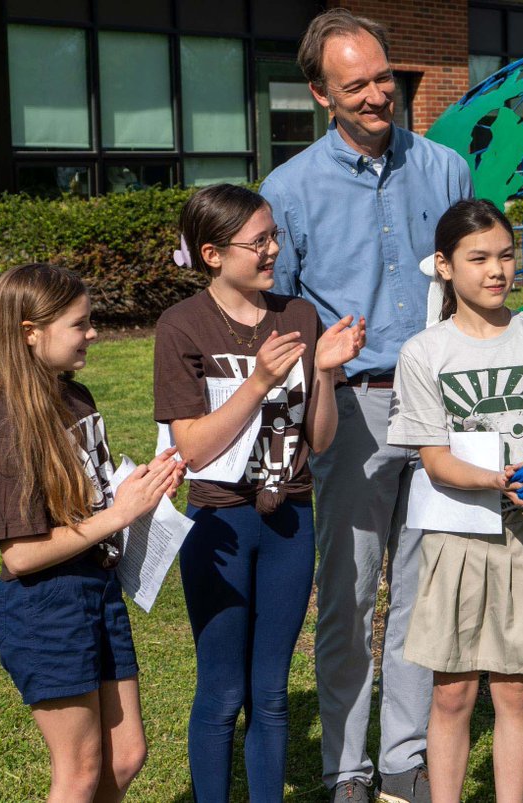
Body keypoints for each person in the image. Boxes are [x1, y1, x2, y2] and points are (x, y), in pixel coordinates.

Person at [260, 9, 472, 802]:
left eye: (385, 77)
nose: (380, 95)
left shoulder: (447, 168)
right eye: (358, 85)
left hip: (445, 405)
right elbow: (274, 320)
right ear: (321, 94)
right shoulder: (286, 191)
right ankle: (346, 767)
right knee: (348, 594)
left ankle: (403, 758)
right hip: (350, 410)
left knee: (424, 590)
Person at [387, 199, 523, 803]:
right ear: (443, 265)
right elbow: (434, 459)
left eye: (506, 256)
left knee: (515, 689)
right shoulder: (424, 353)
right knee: (451, 692)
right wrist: (495, 482)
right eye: (478, 258)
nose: (496, 271)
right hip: (456, 538)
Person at [153, 184, 365, 802]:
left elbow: (319, 440)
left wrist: (323, 370)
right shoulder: (181, 326)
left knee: (271, 691)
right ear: (213, 254)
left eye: (274, 235)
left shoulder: (297, 316)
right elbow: (192, 449)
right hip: (219, 527)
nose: (273, 249)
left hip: (289, 522)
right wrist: (259, 382)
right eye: (259, 242)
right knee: (222, 692)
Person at [0, 262, 185, 802]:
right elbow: (19, 555)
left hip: (98, 587)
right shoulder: (6, 423)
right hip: (47, 607)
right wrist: (117, 514)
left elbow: (93, 490)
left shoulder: (75, 397)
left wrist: (140, 490)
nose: (93, 333)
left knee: (127, 754)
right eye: (79, 324)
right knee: (80, 771)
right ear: (30, 332)